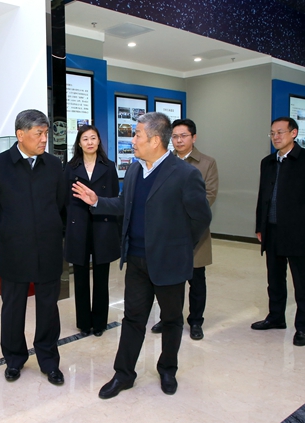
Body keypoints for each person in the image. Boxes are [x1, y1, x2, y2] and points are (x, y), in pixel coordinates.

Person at [72, 112, 211, 399]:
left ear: (156, 140)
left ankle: (167, 369)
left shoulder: (185, 174)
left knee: (171, 320)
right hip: (136, 260)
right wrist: (97, 201)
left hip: (169, 262)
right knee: (133, 319)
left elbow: (201, 218)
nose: (132, 140)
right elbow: (125, 204)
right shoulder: (135, 170)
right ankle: (124, 374)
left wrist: (180, 248)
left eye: (137, 135)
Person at [0, 109, 66, 386]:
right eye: (38, 133)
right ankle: (14, 359)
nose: (44, 139)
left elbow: (61, 204)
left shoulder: (53, 165)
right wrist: (9, 230)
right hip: (14, 249)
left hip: (48, 249)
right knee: (13, 308)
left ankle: (49, 361)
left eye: (46, 133)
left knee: (48, 308)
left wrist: (50, 228)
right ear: (20, 134)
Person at [252, 117, 305, 347]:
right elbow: (263, 197)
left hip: (299, 232)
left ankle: (304, 327)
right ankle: (276, 317)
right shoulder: (268, 162)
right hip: (272, 230)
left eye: (280, 132)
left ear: (294, 133)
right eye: (272, 133)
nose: (276, 137)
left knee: (303, 283)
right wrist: (260, 226)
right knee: (274, 279)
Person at [151, 119, 218, 340]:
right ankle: (168, 318)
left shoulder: (207, 163)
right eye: (175, 136)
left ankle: (196, 321)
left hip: (194, 233)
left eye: (183, 136)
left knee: (196, 280)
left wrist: (178, 213)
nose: (178, 140)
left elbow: (208, 197)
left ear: (193, 137)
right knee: (170, 282)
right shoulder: (162, 162)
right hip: (167, 233)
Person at [64, 125, 120, 337]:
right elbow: (64, 200)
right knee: (79, 277)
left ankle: (99, 323)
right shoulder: (70, 167)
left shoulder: (109, 166)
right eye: (85, 139)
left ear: (98, 141)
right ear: (79, 143)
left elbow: (114, 198)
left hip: (102, 224)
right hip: (78, 225)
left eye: (93, 138)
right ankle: (84, 322)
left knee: (101, 277)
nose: (89, 142)